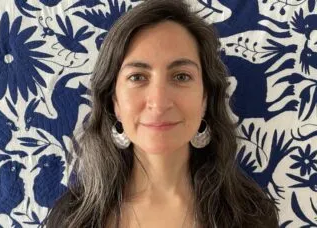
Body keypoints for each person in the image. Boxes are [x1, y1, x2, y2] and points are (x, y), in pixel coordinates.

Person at [45, 0, 279, 227]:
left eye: (181, 76)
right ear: (114, 100)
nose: (159, 102)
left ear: (205, 98)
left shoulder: (251, 215)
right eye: (137, 77)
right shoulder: (71, 220)